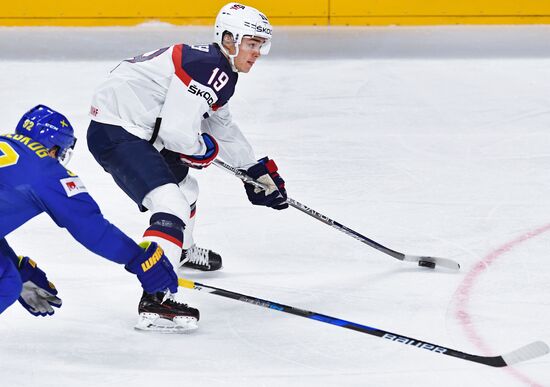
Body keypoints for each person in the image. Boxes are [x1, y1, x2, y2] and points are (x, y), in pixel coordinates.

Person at [86, 2, 288, 331]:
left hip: (139, 128)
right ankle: (157, 296)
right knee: (170, 204)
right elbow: (178, 136)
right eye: (252, 44)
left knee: (186, 189)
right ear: (229, 39)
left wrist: (254, 170)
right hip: (119, 131)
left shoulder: (214, 66)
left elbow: (219, 123)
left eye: (260, 45)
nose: (257, 53)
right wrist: (201, 149)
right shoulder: (207, 66)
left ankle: (180, 250)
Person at [0, 105, 197, 333]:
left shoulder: (6, 143)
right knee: (6, 282)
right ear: (54, 148)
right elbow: (91, 228)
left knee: (8, 274)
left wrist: (15, 265)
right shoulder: (46, 171)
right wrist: (139, 259)